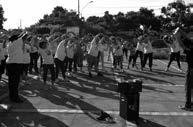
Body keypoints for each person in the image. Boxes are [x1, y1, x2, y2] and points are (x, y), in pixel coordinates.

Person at [6, 32, 28, 103]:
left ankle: (12, 97)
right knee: (15, 83)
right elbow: (24, 36)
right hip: (15, 65)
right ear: (16, 39)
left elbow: (21, 38)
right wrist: (25, 32)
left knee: (11, 83)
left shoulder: (10, 44)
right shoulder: (16, 42)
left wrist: (21, 34)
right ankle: (15, 98)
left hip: (10, 64)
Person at [175, 27, 193, 110]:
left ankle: (188, 105)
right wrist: (180, 30)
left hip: (191, 69)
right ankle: (191, 104)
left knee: (188, 87)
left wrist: (177, 36)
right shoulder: (191, 43)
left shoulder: (189, 48)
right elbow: (187, 38)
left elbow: (182, 45)